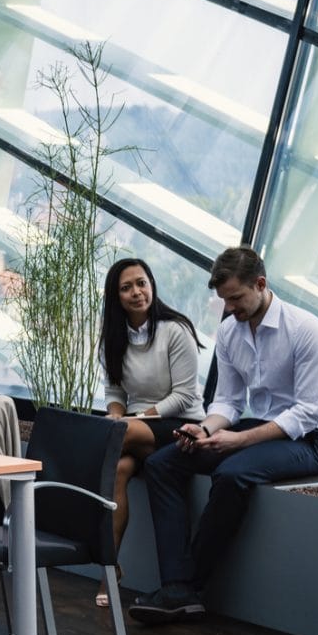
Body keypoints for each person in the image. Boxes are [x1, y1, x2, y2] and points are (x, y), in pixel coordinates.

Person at [128, 245, 318, 625]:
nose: (231, 308)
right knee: (162, 463)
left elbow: (308, 413)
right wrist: (205, 429)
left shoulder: (306, 330)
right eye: (225, 300)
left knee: (232, 473)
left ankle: (187, 586)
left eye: (237, 298)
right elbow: (228, 401)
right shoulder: (229, 331)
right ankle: (177, 587)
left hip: (309, 440)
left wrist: (236, 441)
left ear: (261, 284)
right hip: (257, 429)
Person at [92, 257, 205, 606]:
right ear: (116, 296)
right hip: (136, 428)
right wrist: (115, 415)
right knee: (119, 472)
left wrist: (136, 419)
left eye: (141, 283)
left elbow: (185, 394)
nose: (137, 292)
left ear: (152, 284)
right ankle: (110, 572)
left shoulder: (176, 330)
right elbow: (114, 393)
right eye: (127, 287)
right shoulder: (113, 337)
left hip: (179, 424)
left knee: (110, 438)